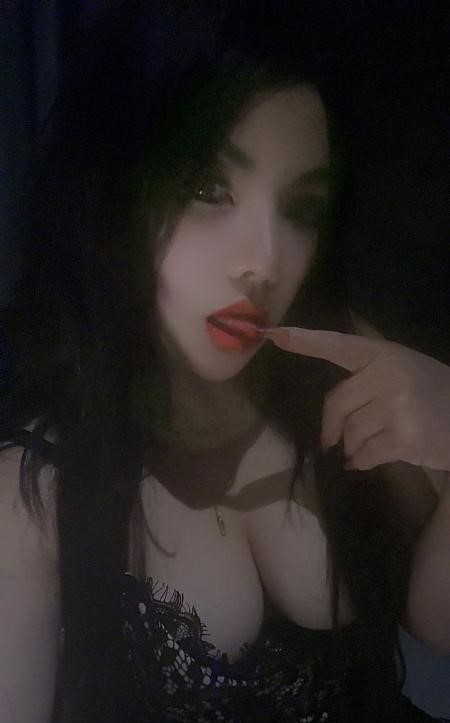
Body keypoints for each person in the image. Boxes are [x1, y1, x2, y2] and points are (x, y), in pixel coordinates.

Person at [0, 2, 449, 722]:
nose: (265, 262)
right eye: (208, 187)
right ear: (116, 191)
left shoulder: (333, 370)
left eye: (301, 208)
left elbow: (438, 621)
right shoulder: (33, 487)